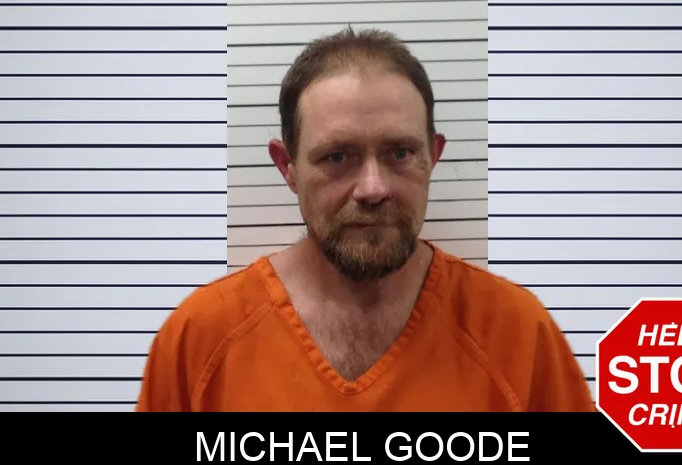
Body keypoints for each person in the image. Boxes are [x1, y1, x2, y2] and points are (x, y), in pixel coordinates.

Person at [135, 27, 595, 412]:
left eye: (400, 153)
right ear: (287, 166)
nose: (373, 188)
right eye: (338, 156)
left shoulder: (517, 335)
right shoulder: (200, 340)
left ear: (433, 157)